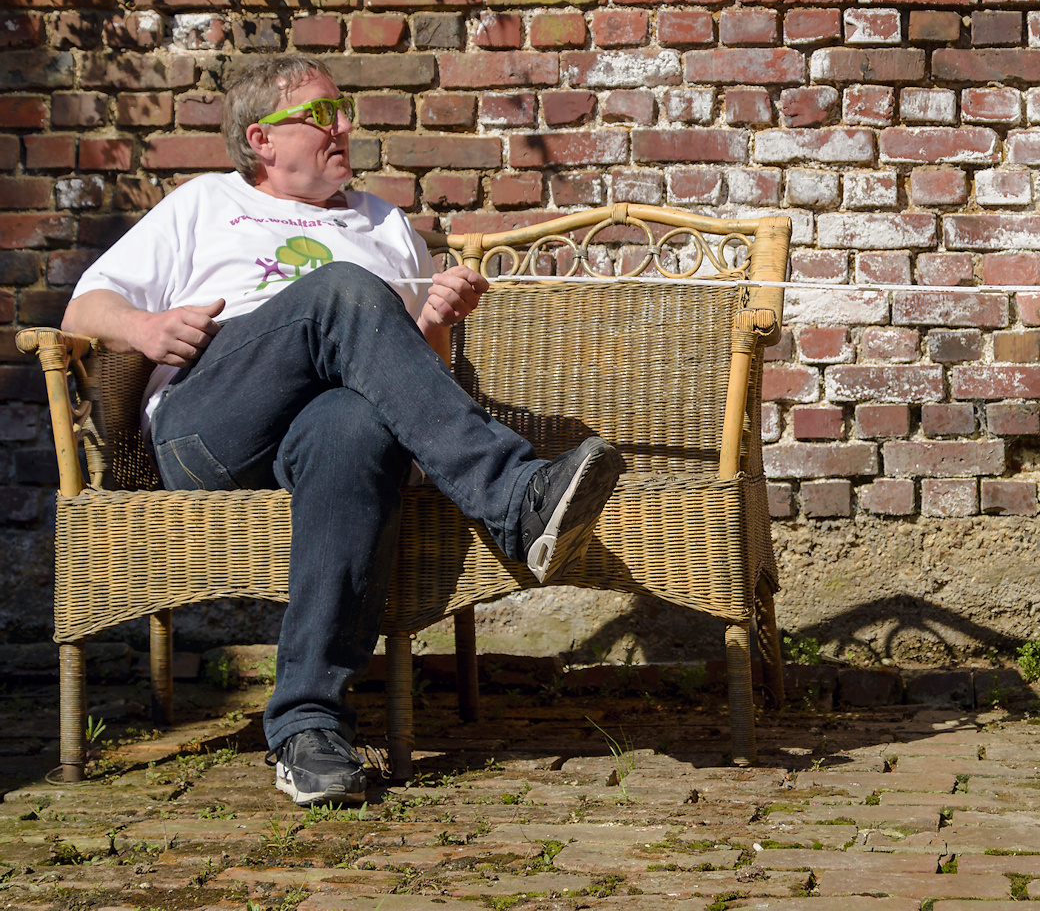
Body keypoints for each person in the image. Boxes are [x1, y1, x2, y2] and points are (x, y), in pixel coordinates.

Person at [63, 55, 626, 806]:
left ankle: (307, 728)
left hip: (317, 437)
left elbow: (407, 379)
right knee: (339, 290)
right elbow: (80, 310)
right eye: (324, 115)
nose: (345, 128)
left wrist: (431, 322)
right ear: (262, 140)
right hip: (208, 430)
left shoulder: (383, 223)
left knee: (357, 427)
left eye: (345, 112)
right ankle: (515, 496)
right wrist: (144, 325)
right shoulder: (205, 203)